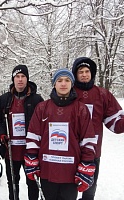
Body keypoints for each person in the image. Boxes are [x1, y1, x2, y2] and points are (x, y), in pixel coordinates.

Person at [25, 68, 97, 200]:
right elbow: (33, 137)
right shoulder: (42, 108)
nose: (63, 84)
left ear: (72, 83)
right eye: (59, 80)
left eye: (67, 80)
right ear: (54, 84)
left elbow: (88, 140)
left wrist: (86, 164)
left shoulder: (81, 109)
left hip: (70, 172)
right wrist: (31, 158)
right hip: (47, 170)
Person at [72, 57, 124, 200]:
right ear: (75, 74)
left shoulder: (102, 94)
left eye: (87, 71)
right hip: (71, 150)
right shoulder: (68, 92)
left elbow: (114, 121)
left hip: (93, 151)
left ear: (92, 73)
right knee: (69, 189)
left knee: (89, 189)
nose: (84, 74)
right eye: (80, 71)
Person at [0, 65, 44, 200]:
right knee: (12, 182)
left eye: (23, 77)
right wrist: (1, 134)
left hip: (30, 151)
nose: (20, 80)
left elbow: (43, 122)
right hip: (11, 150)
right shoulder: (5, 99)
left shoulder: (36, 99)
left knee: (32, 182)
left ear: (27, 79)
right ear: (13, 79)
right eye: (17, 77)